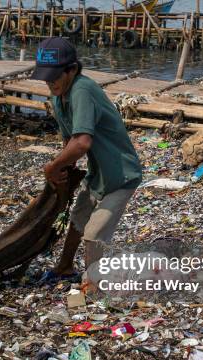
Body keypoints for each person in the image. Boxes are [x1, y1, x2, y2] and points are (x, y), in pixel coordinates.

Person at [30, 37, 143, 278]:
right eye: (46, 77)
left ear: (71, 70)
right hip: (98, 175)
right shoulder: (58, 98)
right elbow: (69, 142)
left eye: (55, 76)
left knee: (93, 234)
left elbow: (82, 142)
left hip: (121, 175)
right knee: (78, 218)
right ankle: (64, 266)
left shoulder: (81, 89)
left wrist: (52, 166)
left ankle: (94, 285)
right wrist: (62, 178)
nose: (50, 82)